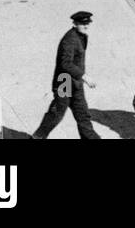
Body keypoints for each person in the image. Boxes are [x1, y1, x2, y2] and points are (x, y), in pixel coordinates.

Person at [31, 11, 100, 139]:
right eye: (82, 24)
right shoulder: (69, 40)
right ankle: (37, 137)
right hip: (65, 82)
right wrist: (84, 76)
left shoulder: (82, 36)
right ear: (74, 23)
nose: (86, 26)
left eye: (87, 23)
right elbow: (65, 63)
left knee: (83, 114)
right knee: (57, 113)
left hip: (75, 82)